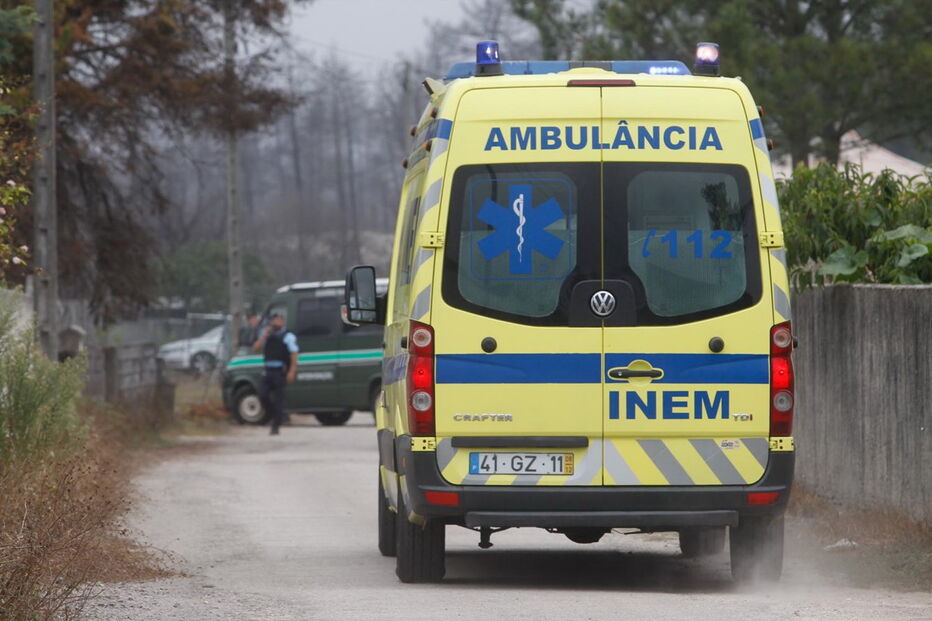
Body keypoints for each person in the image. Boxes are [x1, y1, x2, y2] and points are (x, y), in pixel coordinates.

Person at [252, 313, 298, 435]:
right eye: (275, 320)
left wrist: (292, 371)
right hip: (268, 370)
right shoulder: (266, 334)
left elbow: (294, 353)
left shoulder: (288, 336)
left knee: (279, 400)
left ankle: (275, 426)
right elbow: (255, 348)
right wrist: (263, 337)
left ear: (283, 322)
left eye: (280, 320)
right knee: (262, 395)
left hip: (280, 371)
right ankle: (275, 414)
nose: (277, 322)